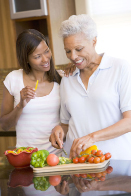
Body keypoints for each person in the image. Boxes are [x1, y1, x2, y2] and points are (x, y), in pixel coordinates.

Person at [49, 14, 131, 160]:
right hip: (77, 165)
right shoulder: (67, 78)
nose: (73, 56)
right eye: (68, 51)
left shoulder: (120, 68)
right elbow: (66, 123)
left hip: (116, 162)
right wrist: (59, 130)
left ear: (94, 41)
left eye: (79, 49)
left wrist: (92, 137)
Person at [0, 29, 74, 154]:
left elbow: (73, 119)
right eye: (37, 56)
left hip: (58, 158)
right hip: (27, 158)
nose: (45, 59)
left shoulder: (61, 79)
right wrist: (20, 106)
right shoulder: (13, 79)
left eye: (46, 51)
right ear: (26, 59)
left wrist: (76, 67)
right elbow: (5, 125)